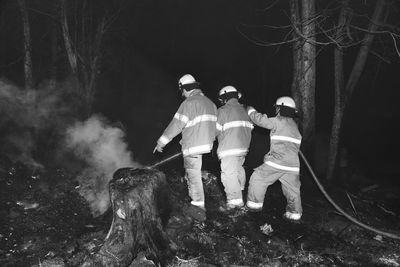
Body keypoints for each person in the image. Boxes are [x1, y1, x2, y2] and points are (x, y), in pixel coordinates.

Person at [154, 74, 217, 212]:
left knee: (192, 174)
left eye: (182, 90)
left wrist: (161, 143)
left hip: (193, 146)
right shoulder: (210, 103)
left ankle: (198, 207)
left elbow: (176, 125)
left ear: (185, 88)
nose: (182, 94)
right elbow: (211, 127)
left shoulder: (189, 103)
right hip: (206, 144)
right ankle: (195, 200)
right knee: (193, 173)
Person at [245, 96, 303, 221]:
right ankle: (294, 215)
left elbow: (260, 120)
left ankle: (254, 207)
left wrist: (250, 110)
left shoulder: (278, 121)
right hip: (293, 166)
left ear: (280, 108)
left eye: (277, 108)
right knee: (292, 190)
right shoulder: (294, 126)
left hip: (278, 161)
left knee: (258, 178)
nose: (276, 110)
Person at [216, 86, 253, 211]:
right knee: (238, 169)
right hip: (243, 148)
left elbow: (214, 130)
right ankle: (240, 189)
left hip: (229, 148)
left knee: (228, 174)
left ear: (224, 98)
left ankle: (235, 203)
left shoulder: (223, 110)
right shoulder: (245, 110)